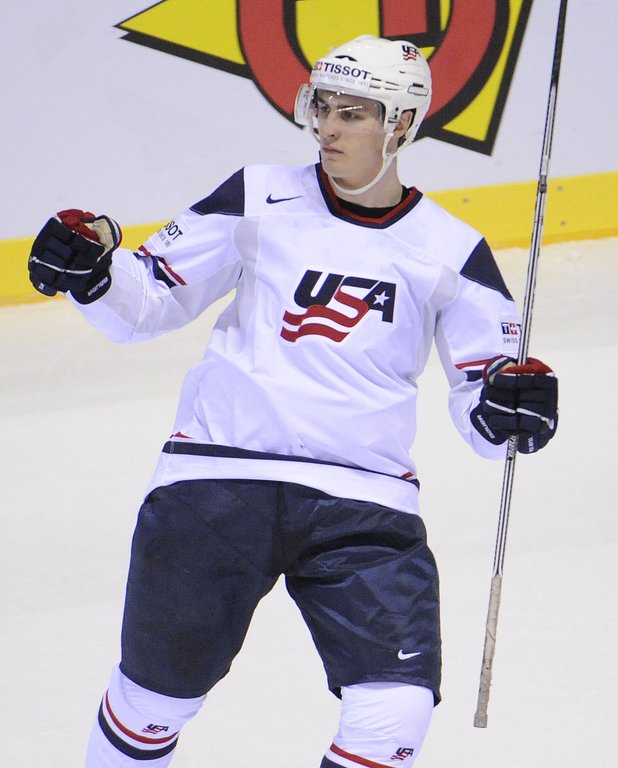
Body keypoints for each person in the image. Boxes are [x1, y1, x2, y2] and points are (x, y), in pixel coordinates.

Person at [28, 35, 558, 768]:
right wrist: (92, 273)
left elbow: (486, 406)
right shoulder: (256, 195)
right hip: (217, 478)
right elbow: (146, 302)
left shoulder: (452, 248)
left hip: (364, 502)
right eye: (322, 107)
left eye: (353, 114)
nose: (328, 128)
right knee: (151, 708)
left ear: (403, 124)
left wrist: (513, 408)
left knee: (395, 714)